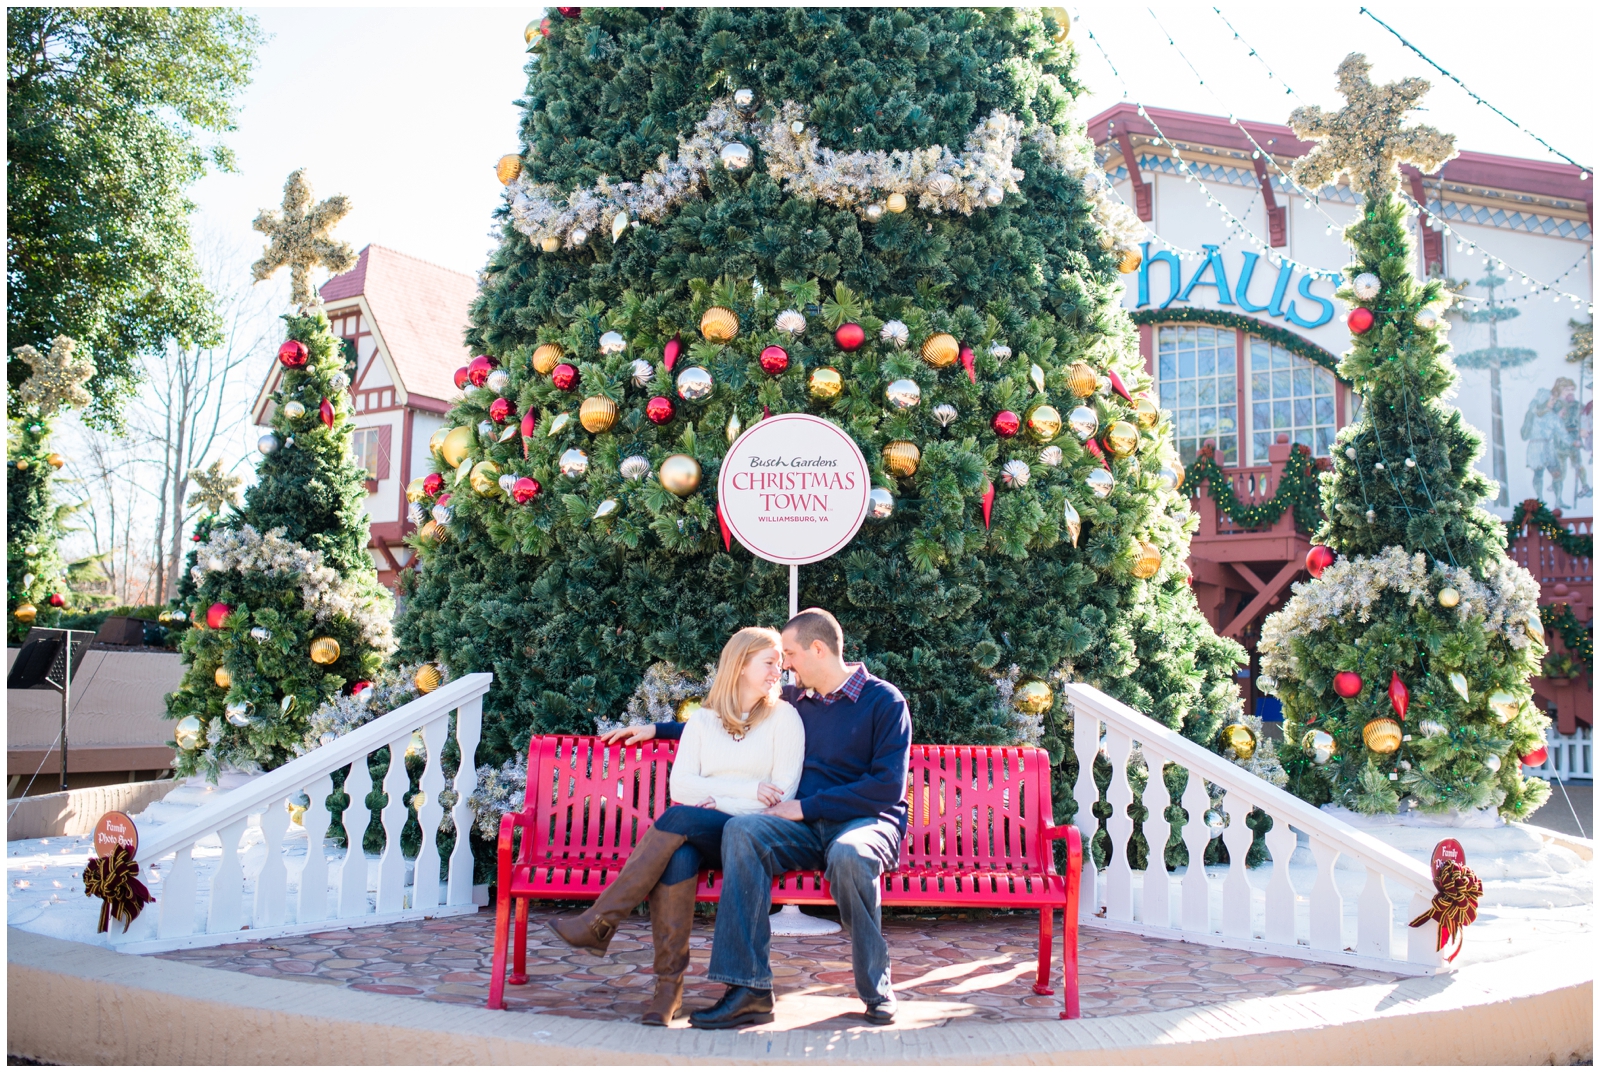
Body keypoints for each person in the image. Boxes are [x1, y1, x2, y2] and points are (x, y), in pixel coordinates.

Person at [617, 608, 913, 1029]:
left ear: (818, 649)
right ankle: (748, 990)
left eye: (790, 654)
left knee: (849, 855)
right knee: (742, 831)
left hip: (865, 824)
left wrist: (807, 806)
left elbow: (886, 788)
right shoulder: (796, 700)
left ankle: (876, 988)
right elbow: (730, 716)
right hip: (803, 830)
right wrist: (658, 730)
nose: (785, 664)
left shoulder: (884, 701)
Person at [554, 626, 804, 1026]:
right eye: (769, 662)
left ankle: (602, 923)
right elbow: (681, 786)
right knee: (680, 852)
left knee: (679, 818)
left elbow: (780, 794)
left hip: (755, 836)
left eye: (780, 663)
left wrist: (715, 796)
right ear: (740, 665)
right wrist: (744, 790)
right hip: (708, 832)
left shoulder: (784, 717)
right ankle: (667, 989)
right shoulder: (704, 721)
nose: (779, 671)